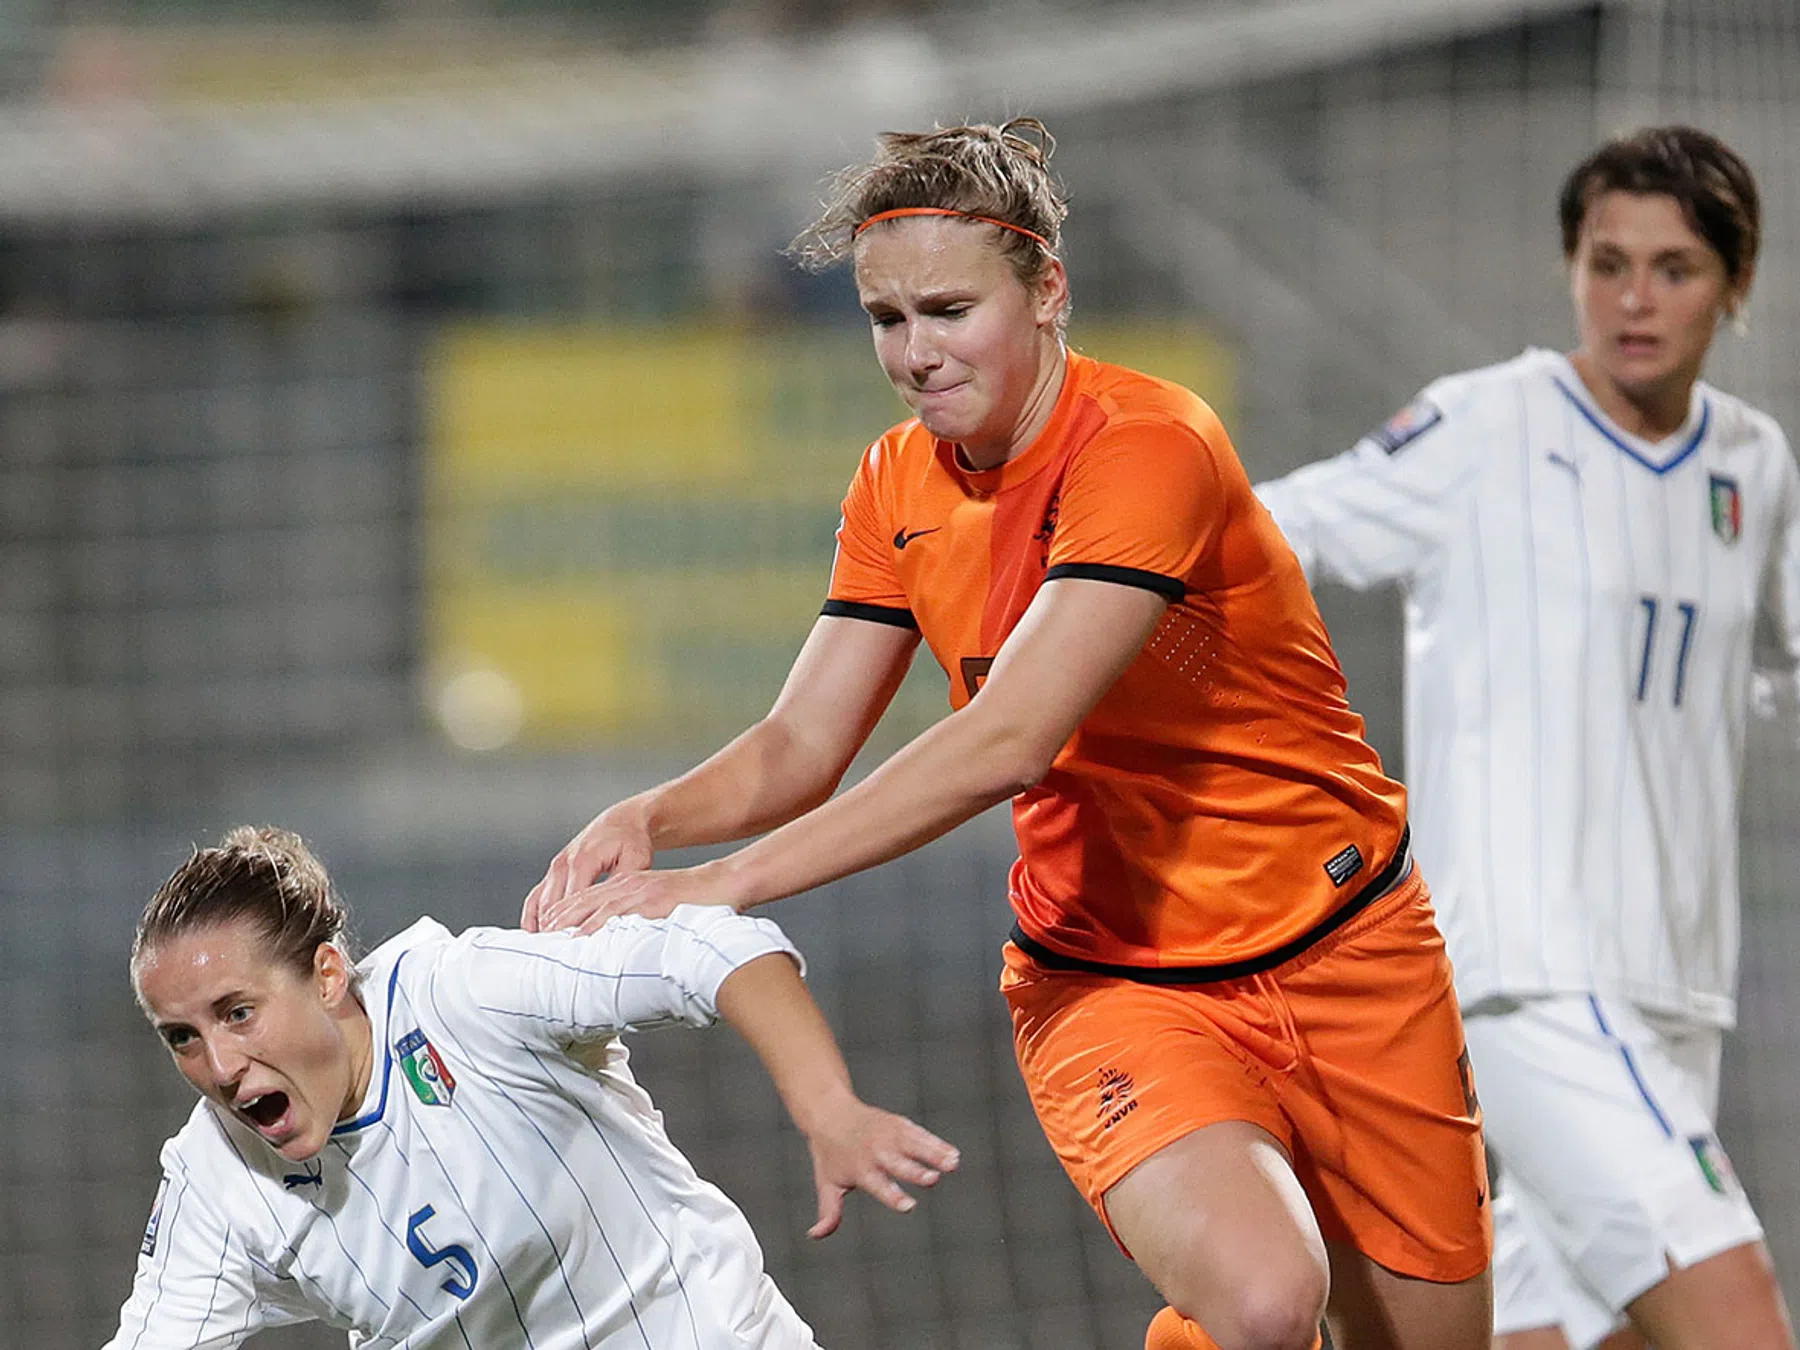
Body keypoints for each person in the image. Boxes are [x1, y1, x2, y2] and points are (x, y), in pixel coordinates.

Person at [525, 118, 1492, 1350]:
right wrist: (651, 818)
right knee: (1262, 1300)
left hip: (1353, 952)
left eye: (947, 309)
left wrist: (719, 883)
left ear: (1048, 292)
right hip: (1118, 982)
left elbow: (1011, 737)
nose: (917, 353)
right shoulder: (895, 483)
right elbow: (801, 743)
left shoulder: (1150, 445)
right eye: (887, 320)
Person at [1254, 126, 1798, 1350]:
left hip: (1679, 990)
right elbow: (1267, 530)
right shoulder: (1483, 427)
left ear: (1737, 284)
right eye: (1608, 262)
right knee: (1741, 1322)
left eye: (1675, 267)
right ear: (1570, 268)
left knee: (1553, 1336)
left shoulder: (1754, 467)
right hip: (1533, 975)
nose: (1635, 299)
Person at [105, 825, 959, 1349]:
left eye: (238, 1013)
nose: (217, 1067)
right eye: (182, 1036)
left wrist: (829, 1110)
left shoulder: (464, 994)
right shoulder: (214, 1175)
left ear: (328, 975)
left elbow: (714, 951)